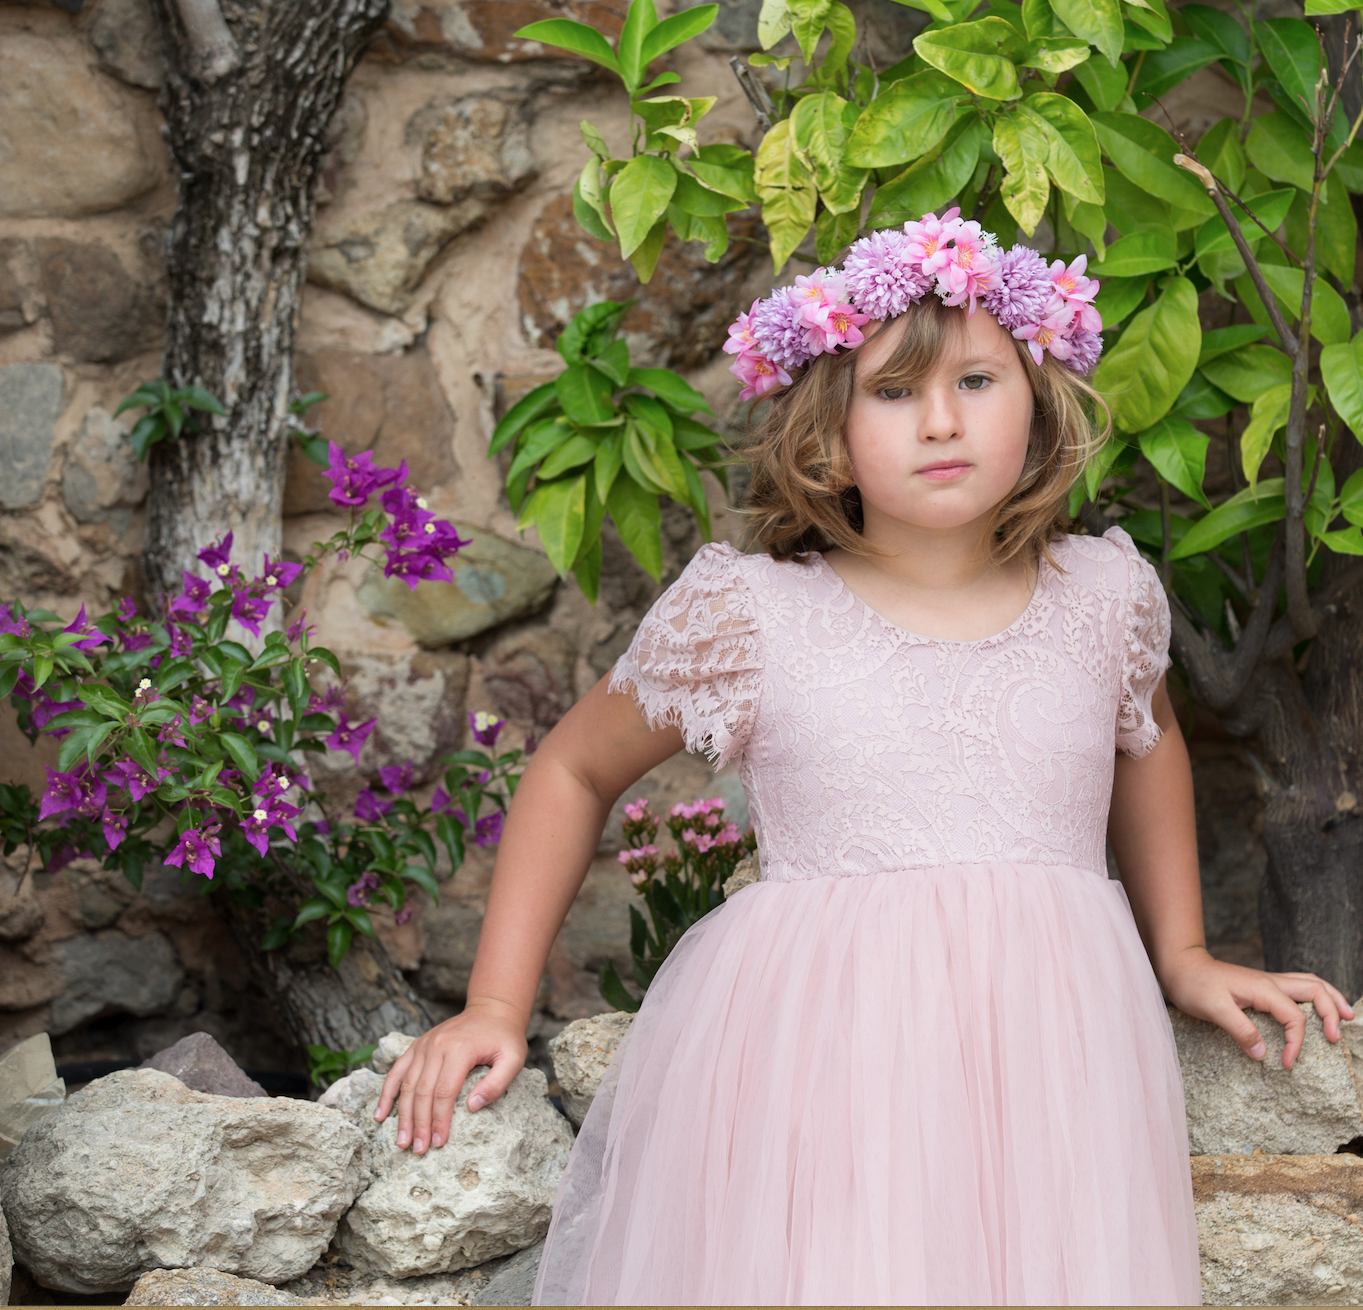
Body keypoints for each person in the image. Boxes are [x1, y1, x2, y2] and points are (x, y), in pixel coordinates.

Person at [374, 210, 1354, 1306]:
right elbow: (572, 769)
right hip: (826, 1065)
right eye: (893, 392)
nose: (941, 420)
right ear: (829, 431)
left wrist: (1179, 947)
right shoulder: (752, 614)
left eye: (978, 381)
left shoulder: (1102, 596)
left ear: (1037, 400)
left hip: (1053, 1060)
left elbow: (1147, 735)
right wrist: (496, 1004)